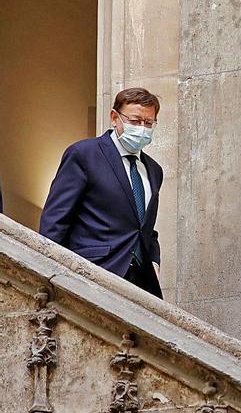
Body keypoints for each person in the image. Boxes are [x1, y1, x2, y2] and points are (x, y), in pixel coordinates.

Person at [40, 88, 165, 298]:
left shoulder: (154, 170)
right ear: (115, 118)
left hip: (141, 282)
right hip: (94, 272)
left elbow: (144, 227)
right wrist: (48, 274)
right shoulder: (84, 154)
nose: (142, 128)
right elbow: (56, 219)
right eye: (135, 121)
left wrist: (154, 260)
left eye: (148, 123)